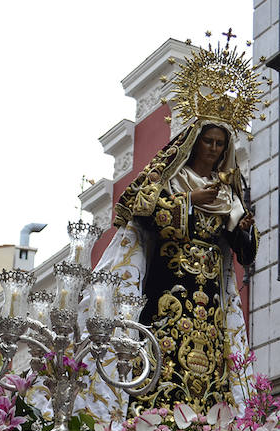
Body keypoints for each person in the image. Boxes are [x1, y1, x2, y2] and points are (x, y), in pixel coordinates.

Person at [87, 120, 258, 415]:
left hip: (211, 300)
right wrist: (190, 201)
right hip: (168, 285)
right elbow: (141, 212)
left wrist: (243, 230)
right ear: (194, 142)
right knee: (162, 352)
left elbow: (245, 253)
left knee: (212, 362)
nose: (214, 149)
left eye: (220, 144)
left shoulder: (227, 195)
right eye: (209, 142)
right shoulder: (171, 180)